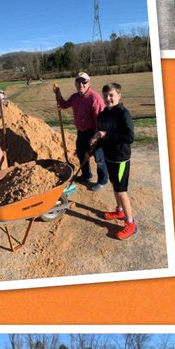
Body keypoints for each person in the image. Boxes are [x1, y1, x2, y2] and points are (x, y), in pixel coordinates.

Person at [87, 83, 136, 240]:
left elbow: (129, 137)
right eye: (105, 95)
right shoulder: (103, 115)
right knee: (115, 185)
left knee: (121, 190)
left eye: (111, 95)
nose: (108, 98)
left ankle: (131, 223)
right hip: (109, 157)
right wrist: (91, 151)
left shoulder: (123, 114)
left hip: (120, 158)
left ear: (118, 95)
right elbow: (101, 138)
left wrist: (106, 134)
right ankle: (119, 211)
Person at [53, 71, 108, 190]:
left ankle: (103, 181)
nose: (81, 84)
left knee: (99, 159)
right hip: (81, 132)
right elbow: (63, 104)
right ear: (75, 84)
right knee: (81, 155)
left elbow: (100, 120)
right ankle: (87, 175)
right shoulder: (75, 97)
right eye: (78, 82)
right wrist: (58, 93)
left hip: (94, 132)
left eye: (84, 82)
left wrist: (96, 136)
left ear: (89, 83)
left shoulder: (95, 98)